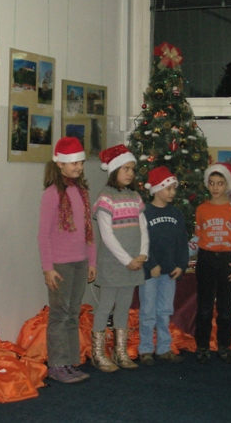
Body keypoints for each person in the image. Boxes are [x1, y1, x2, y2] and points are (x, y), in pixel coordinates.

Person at [37, 137, 98, 380]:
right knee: (60, 314)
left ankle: (71, 361)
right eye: (74, 163)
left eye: (81, 163)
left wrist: (91, 262)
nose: (79, 167)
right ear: (60, 164)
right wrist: (47, 268)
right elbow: (44, 234)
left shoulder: (82, 192)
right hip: (60, 265)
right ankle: (57, 364)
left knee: (73, 313)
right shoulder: (52, 194)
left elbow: (88, 231)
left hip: (80, 262)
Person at [91, 144, 148, 371]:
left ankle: (120, 351)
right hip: (114, 264)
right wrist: (127, 260)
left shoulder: (135, 196)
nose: (130, 173)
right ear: (114, 170)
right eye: (126, 169)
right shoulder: (106, 197)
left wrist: (143, 253)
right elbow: (107, 235)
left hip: (134, 263)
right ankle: (98, 353)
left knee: (124, 307)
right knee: (106, 306)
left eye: (132, 169)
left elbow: (143, 228)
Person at [193, 162, 231, 364]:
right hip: (205, 260)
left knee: (225, 307)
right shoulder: (201, 209)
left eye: (220, 183)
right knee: (204, 307)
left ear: (227, 185)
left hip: (226, 261)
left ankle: (224, 346)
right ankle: (202, 346)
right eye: (212, 183)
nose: (215, 187)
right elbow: (198, 236)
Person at [138, 166, 187, 365]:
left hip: (170, 272)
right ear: (157, 189)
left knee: (165, 310)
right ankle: (145, 349)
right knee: (148, 311)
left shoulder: (176, 214)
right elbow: (141, 241)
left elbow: (182, 242)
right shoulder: (145, 212)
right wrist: (151, 264)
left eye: (174, 188)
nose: (172, 192)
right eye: (169, 188)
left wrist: (181, 265)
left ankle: (164, 348)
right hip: (150, 272)